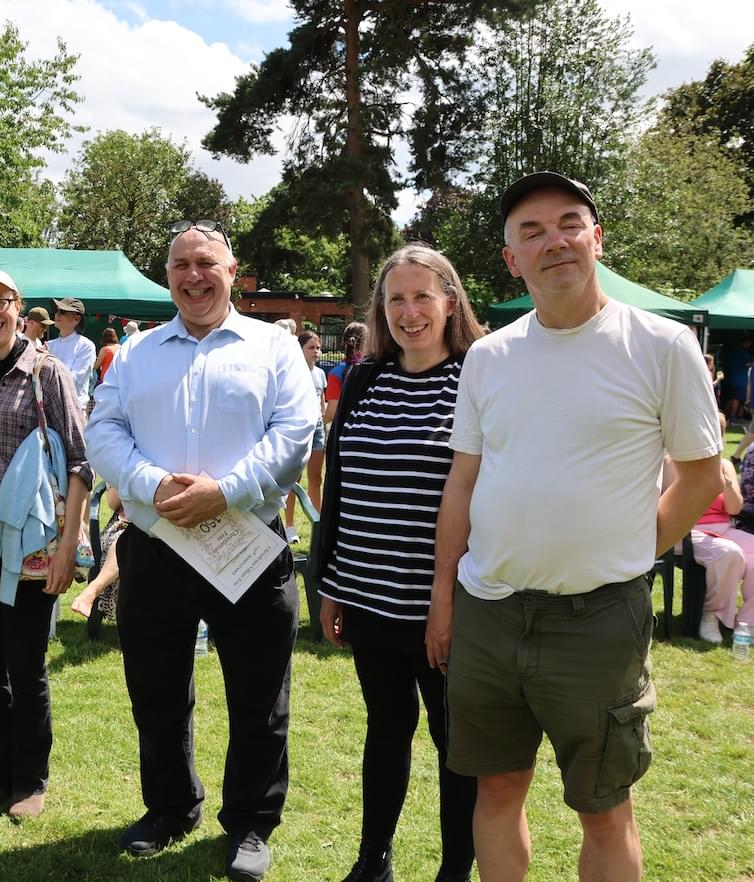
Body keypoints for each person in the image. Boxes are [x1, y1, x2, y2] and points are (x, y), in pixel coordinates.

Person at [433, 172, 722, 882]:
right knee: (496, 788)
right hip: (490, 614)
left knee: (603, 806)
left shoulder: (663, 345)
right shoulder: (488, 356)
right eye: (531, 231)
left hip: (598, 620)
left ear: (596, 237)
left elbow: (702, 476)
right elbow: (463, 481)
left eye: (568, 223)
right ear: (511, 259)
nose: (553, 240)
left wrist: (632, 552)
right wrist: (444, 596)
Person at [85, 221, 316, 882]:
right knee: (155, 689)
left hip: (248, 542)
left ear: (232, 271)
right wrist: (152, 484)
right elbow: (104, 427)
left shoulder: (273, 348)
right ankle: (170, 807)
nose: (193, 275)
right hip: (158, 545)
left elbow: (296, 431)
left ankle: (250, 824)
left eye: (206, 263)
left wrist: (228, 490)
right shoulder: (136, 353)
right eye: (181, 264)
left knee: (259, 698)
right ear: (169, 276)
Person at [314, 245, 484, 882]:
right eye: (395, 299)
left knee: (453, 743)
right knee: (385, 728)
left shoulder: (475, 379)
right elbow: (341, 489)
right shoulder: (364, 378)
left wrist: (450, 602)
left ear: (449, 301)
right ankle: (372, 860)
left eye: (422, 297)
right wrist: (330, 585)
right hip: (366, 595)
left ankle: (453, 871)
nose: (409, 312)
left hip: (446, 605)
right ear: (381, 310)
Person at [0, 268, 91, 820]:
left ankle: (30, 780)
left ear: (18, 307)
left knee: (26, 665)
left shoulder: (47, 373)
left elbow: (81, 461)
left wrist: (68, 546)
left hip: (33, 547)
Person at [663, 455, 753, 642]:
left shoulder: (725, 464)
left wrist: (727, 484)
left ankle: (747, 622)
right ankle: (711, 614)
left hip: (723, 528)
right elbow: (668, 504)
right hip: (688, 530)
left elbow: (734, 509)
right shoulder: (671, 462)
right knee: (729, 553)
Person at [283, 330, 326, 544]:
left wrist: (323, 426)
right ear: (300, 350)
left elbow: (322, 402)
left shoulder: (320, 374)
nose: (316, 352)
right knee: (294, 481)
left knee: (316, 478)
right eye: (311, 347)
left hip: (317, 428)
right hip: (300, 428)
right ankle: (289, 526)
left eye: (318, 347)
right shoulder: (294, 373)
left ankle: (318, 523)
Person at [69, 485, 128, 621]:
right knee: (123, 543)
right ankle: (93, 590)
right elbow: (113, 503)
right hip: (127, 525)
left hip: (173, 530)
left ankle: (93, 589)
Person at [48, 297, 97, 410]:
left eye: (63, 311)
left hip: (75, 408)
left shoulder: (86, 346)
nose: (57, 314)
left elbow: (75, 380)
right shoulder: (48, 345)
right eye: (57, 311)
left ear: (76, 319)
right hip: (49, 409)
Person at [324, 322, 367, 425]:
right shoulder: (377, 368)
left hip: (348, 431)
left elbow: (332, 412)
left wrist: (319, 425)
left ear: (344, 343)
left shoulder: (336, 373)